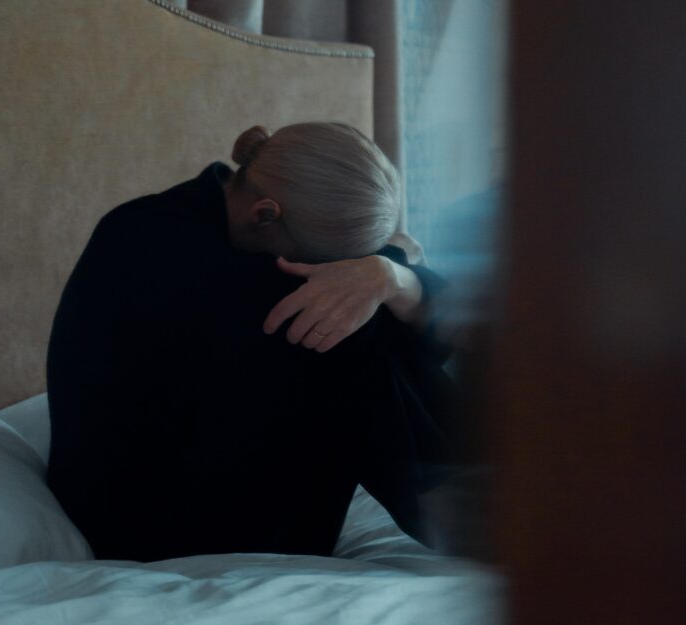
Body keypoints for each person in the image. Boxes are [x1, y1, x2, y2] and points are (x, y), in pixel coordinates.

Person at [46, 122, 460, 561]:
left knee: (354, 305)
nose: (330, 270)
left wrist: (385, 275)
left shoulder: (237, 227)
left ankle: (475, 499)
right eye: (323, 261)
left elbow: (440, 326)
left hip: (224, 476)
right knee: (342, 322)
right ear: (264, 215)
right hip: (139, 517)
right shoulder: (147, 243)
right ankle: (468, 508)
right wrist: (390, 268)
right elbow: (433, 326)